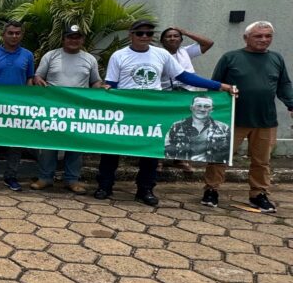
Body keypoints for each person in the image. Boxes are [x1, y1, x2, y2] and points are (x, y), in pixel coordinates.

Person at [96, 19, 235, 206]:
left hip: (153, 111)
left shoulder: (161, 54)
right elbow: (112, 84)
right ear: (131, 35)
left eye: (149, 33)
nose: (144, 36)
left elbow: (185, 76)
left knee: (151, 151)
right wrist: (105, 88)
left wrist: (220, 86)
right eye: (140, 33)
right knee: (112, 149)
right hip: (126, 111)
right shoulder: (119, 56)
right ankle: (105, 186)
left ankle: (145, 189)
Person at [202, 20, 293, 212]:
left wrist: (291, 104)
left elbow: (284, 84)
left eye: (268, 36)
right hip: (233, 118)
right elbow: (215, 84)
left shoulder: (276, 59)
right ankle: (211, 190)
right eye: (258, 36)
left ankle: (258, 194)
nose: (263, 39)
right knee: (220, 156)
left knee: (262, 160)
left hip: (265, 119)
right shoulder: (230, 58)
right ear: (246, 38)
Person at [31, 25, 103, 194]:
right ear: (63, 38)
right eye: (70, 37)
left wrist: (99, 92)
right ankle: (45, 178)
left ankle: (72, 180)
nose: (73, 40)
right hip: (53, 109)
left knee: (75, 145)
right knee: (49, 145)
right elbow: (38, 76)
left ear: (82, 40)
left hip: (78, 110)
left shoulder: (90, 59)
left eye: (77, 37)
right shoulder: (51, 56)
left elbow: (95, 82)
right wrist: (38, 80)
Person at [0, 20, 34, 191]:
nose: (14, 36)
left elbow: (29, 79)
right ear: (3, 35)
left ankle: (11, 176)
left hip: (18, 106)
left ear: (21, 35)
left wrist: (29, 101)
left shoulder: (28, 55)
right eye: (10, 33)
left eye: (17, 33)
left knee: (15, 142)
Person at [163, 97, 231, 164]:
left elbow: (228, 151)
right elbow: (168, 148)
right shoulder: (177, 126)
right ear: (191, 108)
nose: (202, 109)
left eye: (207, 106)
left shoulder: (223, 128)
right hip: (185, 164)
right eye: (198, 106)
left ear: (212, 109)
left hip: (211, 165)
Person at [160, 26, 214, 90]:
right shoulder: (158, 55)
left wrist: (185, 33)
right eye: (169, 36)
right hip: (168, 94)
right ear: (162, 41)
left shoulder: (185, 51)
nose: (172, 38)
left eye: (176, 36)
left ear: (181, 40)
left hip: (189, 93)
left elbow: (208, 43)